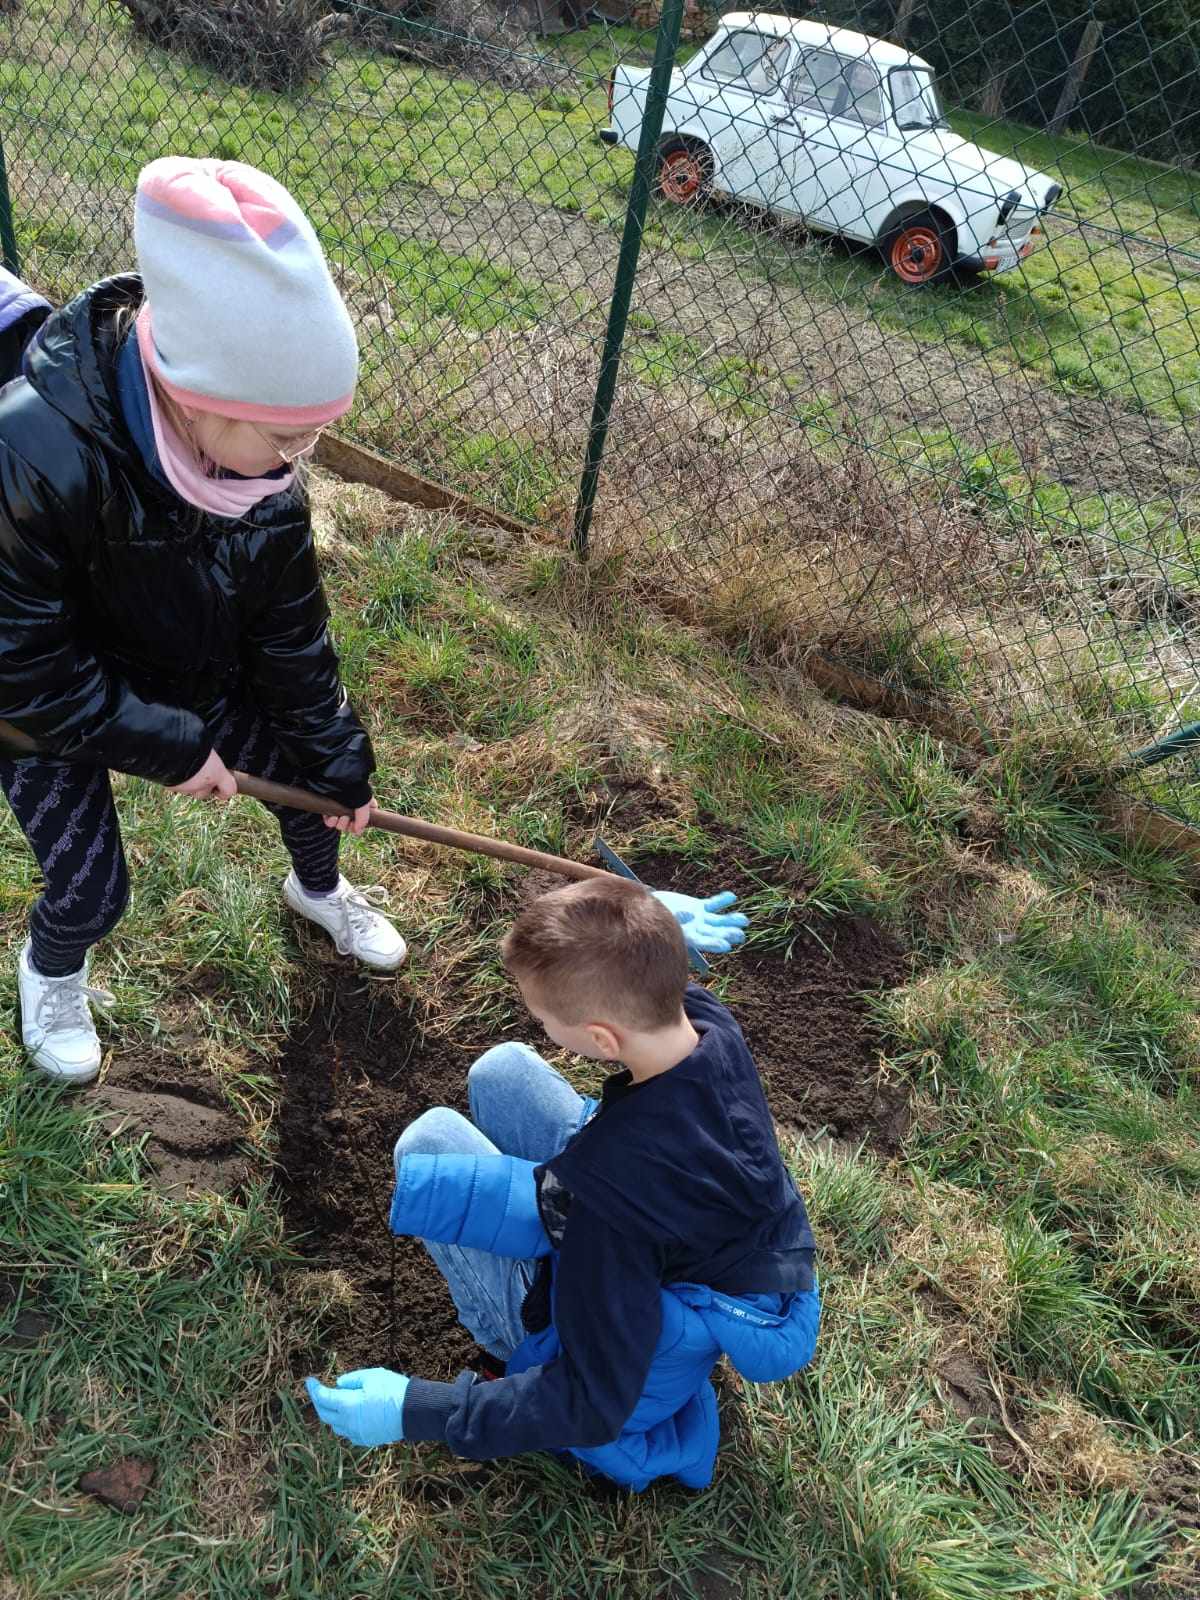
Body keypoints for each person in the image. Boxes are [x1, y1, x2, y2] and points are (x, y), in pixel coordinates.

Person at [0, 159, 407, 1088]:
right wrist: (171, 749)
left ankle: (320, 892)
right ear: (193, 392)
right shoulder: (32, 450)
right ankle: (52, 972)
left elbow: (292, 644)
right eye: (284, 434)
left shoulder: (266, 492)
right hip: (38, 703)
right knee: (93, 885)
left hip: (175, 661)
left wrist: (340, 761)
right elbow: (20, 667)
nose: (300, 459)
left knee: (305, 771)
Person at [307, 877, 818, 1492]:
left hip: (614, 1360)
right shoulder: (712, 1028)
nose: (540, 1024)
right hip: (674, 1232)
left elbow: (592, 1401)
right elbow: (648, 964)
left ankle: (500, 1333)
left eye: (543, 1017)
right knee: (503, 1070)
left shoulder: (610, 1204)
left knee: (429, 1143)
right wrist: (647, 917)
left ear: (602, 1039)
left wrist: (417, 1407)